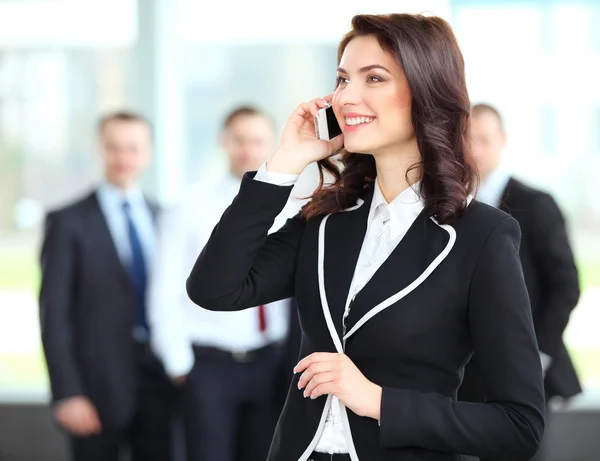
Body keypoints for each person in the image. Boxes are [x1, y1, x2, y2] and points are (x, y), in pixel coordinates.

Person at [185, 13, 546, 461]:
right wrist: (283, 163)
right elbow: (213, 288)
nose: (346, 96)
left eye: (373, 78)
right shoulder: (324, 221)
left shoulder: (483, 237)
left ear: (425, 92)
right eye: (341, 79)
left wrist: (377, 401)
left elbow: (519, 427)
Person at [148, 106, 316, 461]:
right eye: (238, 140)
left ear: (271, 143)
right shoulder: (189, 204)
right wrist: (180, 366)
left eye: (257, 140)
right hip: (209, 364)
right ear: (223, 142)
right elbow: (165, 290)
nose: (248, 149)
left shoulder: (295, 204)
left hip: (272, 361)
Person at [39, 112, 178, 461]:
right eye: (113, 148)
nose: (123, 158)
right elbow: (53, 315)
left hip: (161, 382)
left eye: (133, 148)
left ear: (147, 153)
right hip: (95, 386)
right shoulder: (67, 222)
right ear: (99, 151)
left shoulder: (165, 218)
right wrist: (67, 393)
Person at [459, 103, 582, 461]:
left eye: (484, 139)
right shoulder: (450, 206)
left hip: (525, 369)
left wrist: (538, 355)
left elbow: (566, 285)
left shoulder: (537, 204)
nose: (475, 149)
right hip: (465, 375)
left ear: (502, 141)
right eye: (468, 140)